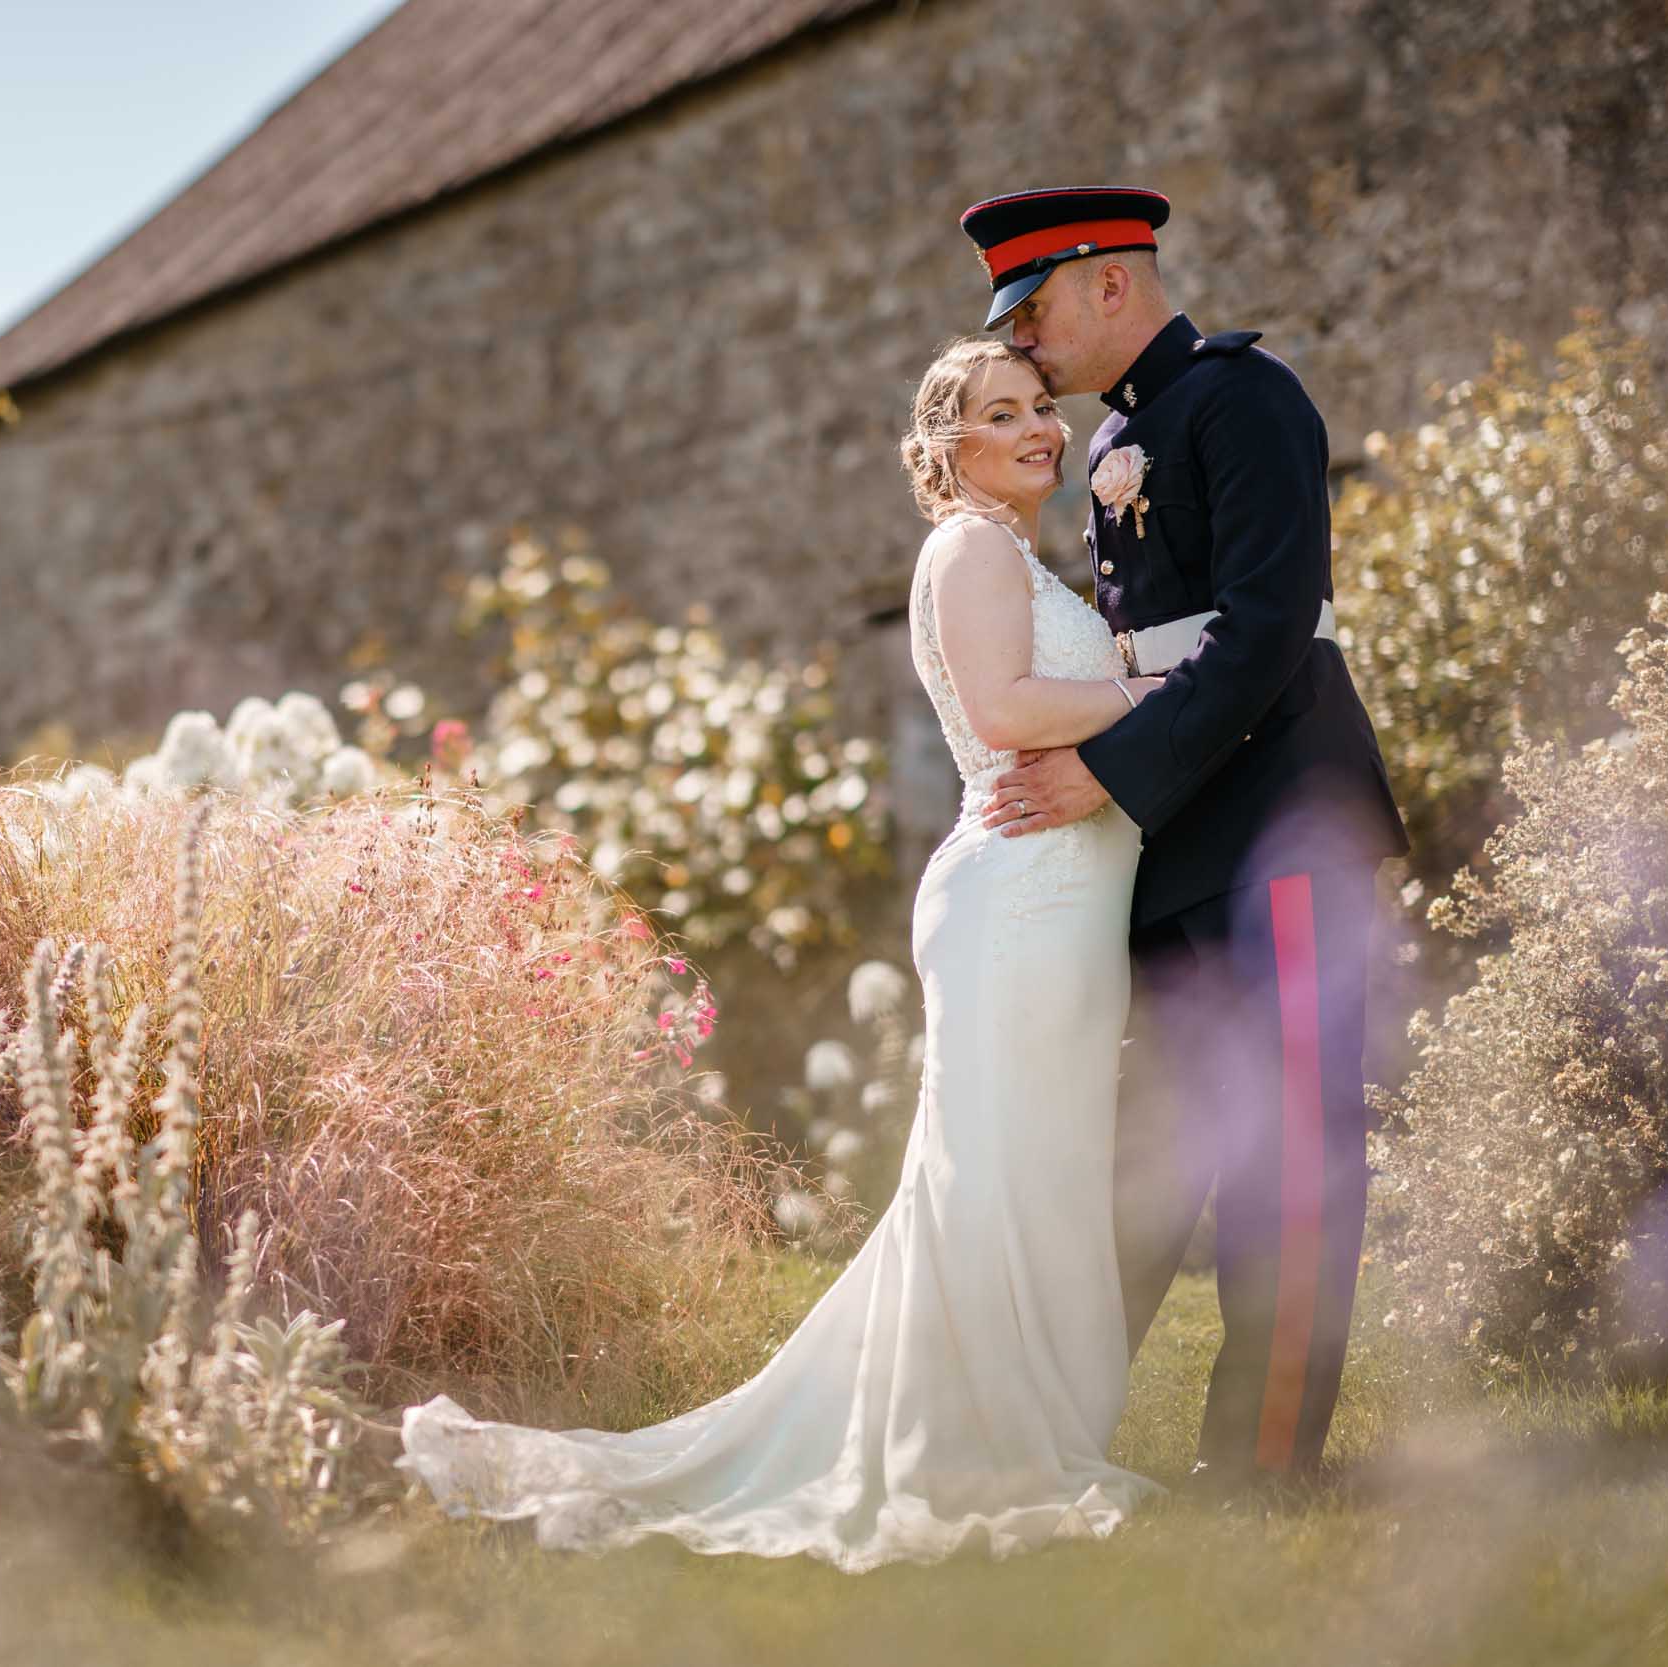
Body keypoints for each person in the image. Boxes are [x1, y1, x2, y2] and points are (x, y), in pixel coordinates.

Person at [393, 328, 1170, 1571]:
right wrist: (1171, 685)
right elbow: (1008, 713)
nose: (1042, 429)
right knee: (1001, 1176)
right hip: (1019, 901)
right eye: (1006, 412)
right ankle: (983, 1447)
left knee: (1029, 1170)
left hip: (1058, 904)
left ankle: (995, 1426)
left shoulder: (1013, 556)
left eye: (1042, 408)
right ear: (946, 448)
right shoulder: (969, 545)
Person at [966, 185, 1409, 1485]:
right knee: (1151, 1142)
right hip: (1176, 835)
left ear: (1112, 279)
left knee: (1291, 1147)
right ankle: (1055, 1442)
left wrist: (1107, 769)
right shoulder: (1133, 427)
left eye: (1034, 307)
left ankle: (1261, 1464)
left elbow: (1265, 631)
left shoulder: (1244, 395)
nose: (1025, 341)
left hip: (1278, 822)